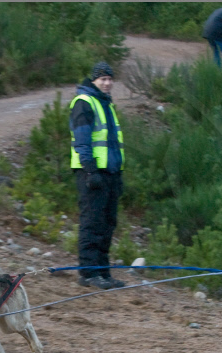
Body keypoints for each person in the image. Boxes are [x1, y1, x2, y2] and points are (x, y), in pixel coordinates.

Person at [69, 61, 125, 290]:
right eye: (102, 79)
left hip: (110, 173)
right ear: (94, 80)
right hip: (91, 173)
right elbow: (82, 140)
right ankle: (88, 273)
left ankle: (103, 272)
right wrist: (90, 170)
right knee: (92, 223)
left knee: (107, 224)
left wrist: (118, 175)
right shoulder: (84, 103)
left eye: (110, 79)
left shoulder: (106, 104)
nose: (107, 82)